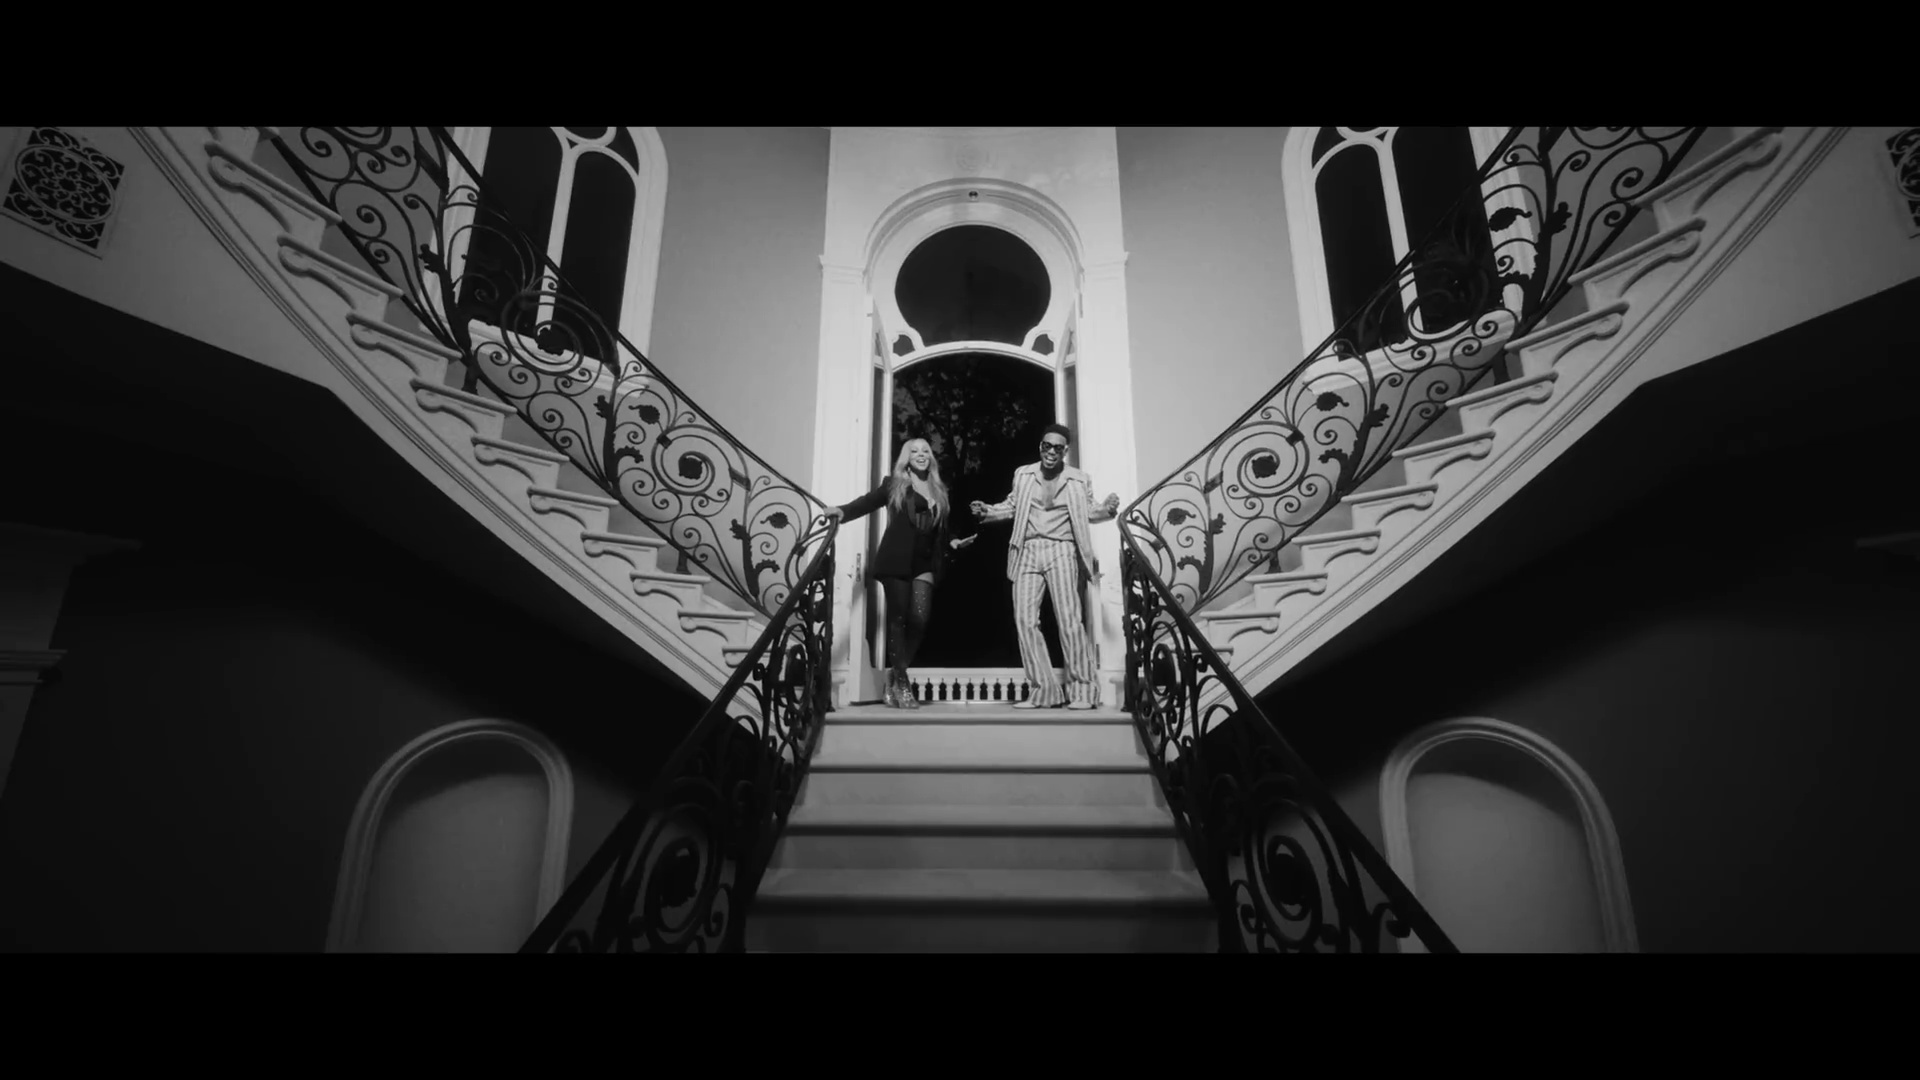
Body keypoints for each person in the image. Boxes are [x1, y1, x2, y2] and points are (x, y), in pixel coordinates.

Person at [970, 423, 1121, 710]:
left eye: (1057, 448)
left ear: (1066, 451)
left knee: (1069, 620)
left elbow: (1090, 511)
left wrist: (1107, 509)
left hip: (1061, 549)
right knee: (1025, 620)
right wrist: (987, 511)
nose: (1051, 452)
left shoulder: (1078, 480)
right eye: (1046, 446)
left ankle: (1083, 692)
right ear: (1040, 446)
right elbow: (1012, 505)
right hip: (1027, 549)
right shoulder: (1024, 474)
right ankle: (1043, 692)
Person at [825, 438, 977, 709]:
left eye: (926, 451)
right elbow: (867, 502)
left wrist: (953, 541)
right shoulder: (894, 484)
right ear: (906, 458)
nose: (921, 455)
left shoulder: (939, 489)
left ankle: (895, 675)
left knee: (919, 619)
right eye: (914, 451)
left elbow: (942, 528)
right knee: (898, 619)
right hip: (895, 560)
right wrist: (842, 512)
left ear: (931, 458)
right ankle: (902, 683)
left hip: (925, 562)